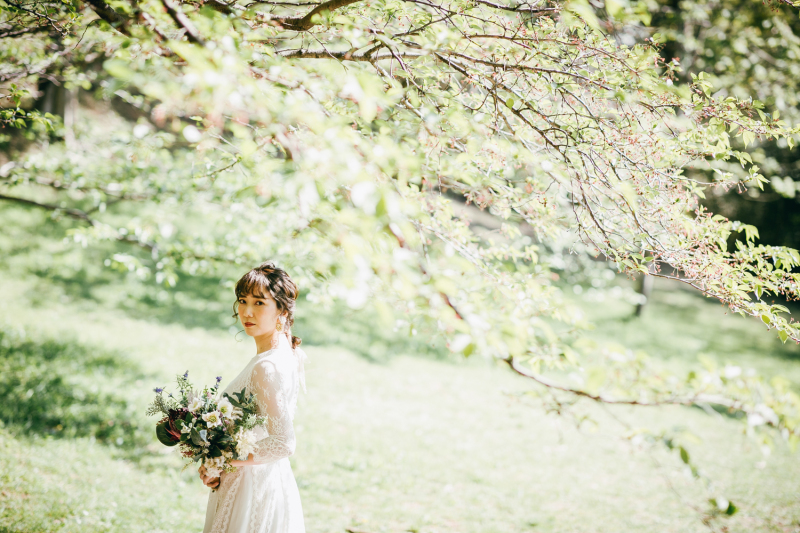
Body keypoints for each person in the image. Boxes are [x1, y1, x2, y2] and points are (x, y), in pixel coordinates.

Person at [200, 262, 307, 533]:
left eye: (259, 303)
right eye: (242, 301)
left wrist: (220, 459)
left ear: (281, 309)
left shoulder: (265, 367)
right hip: (268, 478)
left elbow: (283, 442)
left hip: (251, 490)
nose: (246, 312)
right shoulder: (288, 353)